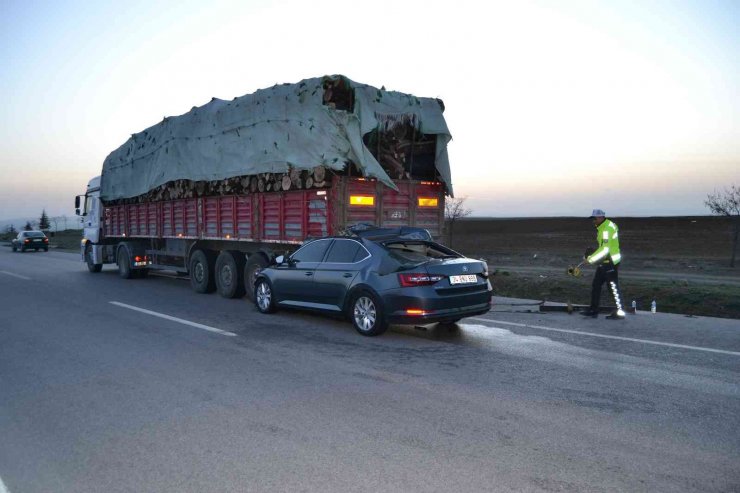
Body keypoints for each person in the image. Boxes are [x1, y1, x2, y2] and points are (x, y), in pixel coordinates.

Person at [581, 209, 625, 320]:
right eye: (592, 219)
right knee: (596, 285)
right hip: (604, 261)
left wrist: (590, 260)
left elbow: (605, 249)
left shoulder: (606, 229)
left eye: (594, 219)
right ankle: (593, 310)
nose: (593, 221)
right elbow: (603, 247)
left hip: (610, 262)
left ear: (600, 218)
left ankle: (619, 313)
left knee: (613, 288)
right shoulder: (604, 227)